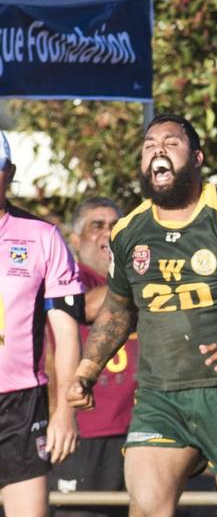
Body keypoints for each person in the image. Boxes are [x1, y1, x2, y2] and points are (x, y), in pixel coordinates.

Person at [66, 114, 217, 517]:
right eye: (149, 144)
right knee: (145, 509)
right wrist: (86, 370)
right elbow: (118, 309)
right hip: (161, 397)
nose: (157, 149)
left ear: (197, 158)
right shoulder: (129, 231)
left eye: (171, 143)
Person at [0, 130, 84, 517]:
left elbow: (67, 334)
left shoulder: (41, 236)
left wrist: (65, 411)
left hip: (21, 404)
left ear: (9, 172)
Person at [50, 197, 135, 517]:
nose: (108, 233)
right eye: (96, 226)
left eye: (116, 226)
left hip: (142, 426)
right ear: (75, 239)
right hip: (88, 428)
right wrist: (134, 278)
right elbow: (86, 307)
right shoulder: (71, 276)